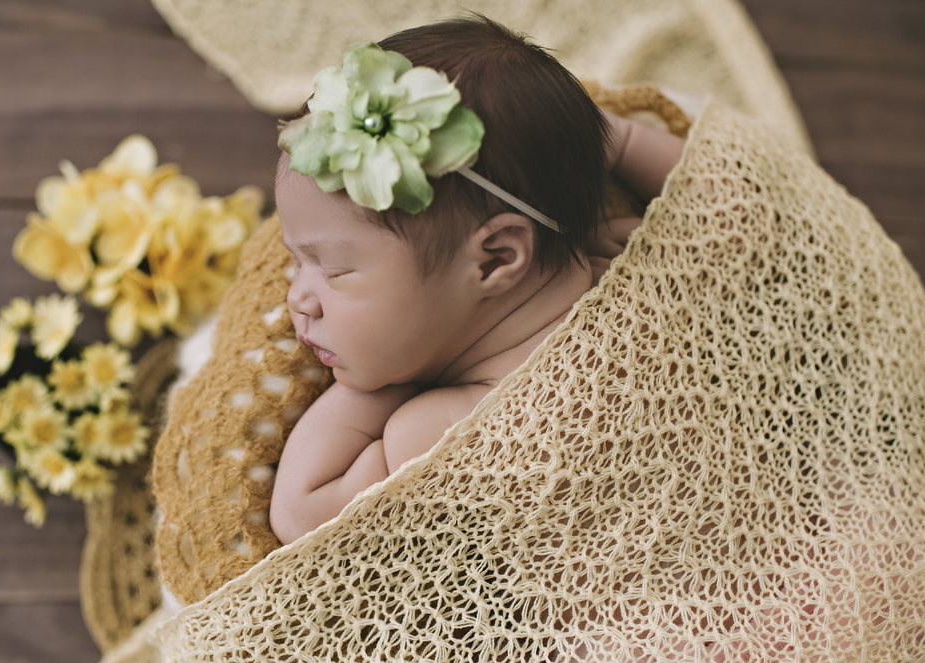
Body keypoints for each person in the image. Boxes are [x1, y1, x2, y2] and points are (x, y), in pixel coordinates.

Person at [270, 15, 685, 544]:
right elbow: (736, 200)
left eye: (333, 270)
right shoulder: (631, 247)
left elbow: (302, 513)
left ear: (495, 260)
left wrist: (378, 384)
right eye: (295, 262)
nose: (299, 298)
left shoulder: (461, 423)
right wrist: (619, 141)